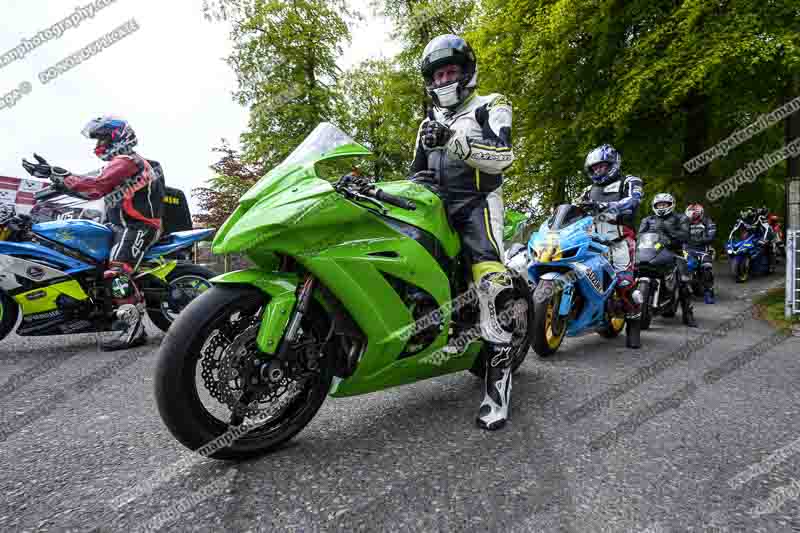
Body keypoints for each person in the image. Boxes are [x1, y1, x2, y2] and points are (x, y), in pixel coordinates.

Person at [409, 34, 516, 430]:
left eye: (450, 71)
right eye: (437, 74)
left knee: (489, 285)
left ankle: (498, 391)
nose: (444, 79)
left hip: (478, 204)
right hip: (436, 208)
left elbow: (504, 157)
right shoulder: (426, 122)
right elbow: (415, 173)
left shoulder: (492, 104)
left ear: (467, 71)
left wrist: (457, 144)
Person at [23, 116, 164, 350]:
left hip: (137, 226)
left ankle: (134, 331)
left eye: (101, 138)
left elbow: (94, 187)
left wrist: (54, 173)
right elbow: (89, 187)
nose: (98, 145)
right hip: (119, 225)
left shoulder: (126, 160)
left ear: (117, 137)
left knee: (117, 272)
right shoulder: (121, 163)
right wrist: (55, 184)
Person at [575, 144, 644, 348]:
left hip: (620, 240)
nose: (598, 170)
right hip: (592, 240)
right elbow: (576, 208)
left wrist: (607, 206)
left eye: (602, 166)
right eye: (594, 168)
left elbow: (634, 200)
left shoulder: (629, 181)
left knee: (624, 284)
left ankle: (634, 326)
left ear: (613, 164)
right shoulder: (588, 190)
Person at [639, 193, 697, 327]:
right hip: (649, 251)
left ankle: (688, 315)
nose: (661, 207)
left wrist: (668, 233)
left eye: (664, 204)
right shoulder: (647, 220)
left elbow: (685, 235)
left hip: (673, 252)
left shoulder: (681, 218)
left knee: (684, 280)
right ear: (654, 206)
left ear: (671, 205)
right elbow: (640, 236)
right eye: (659, 205)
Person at [684, 203, 717, 304]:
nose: (693, 216)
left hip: (703, 249)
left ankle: (709, 293)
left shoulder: (707, 221)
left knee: (706, 267)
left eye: (695, 214)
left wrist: (705, 239)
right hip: (687, 250)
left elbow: (711, 233)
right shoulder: (683, 223)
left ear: (700, 214)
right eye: (691, 214)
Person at [729, 206, 775, 272]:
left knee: (767, 246)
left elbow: (767, 229)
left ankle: (771, 265)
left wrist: (764, 239)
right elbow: (734, 230)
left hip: (763, 234)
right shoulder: (741, 220)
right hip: (751, 235)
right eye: (744, 217)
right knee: (741, 244)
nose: (746, 219)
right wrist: (730, 238)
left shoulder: (760, 218)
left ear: (752, 215)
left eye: (747, 217)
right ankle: (747, 260)